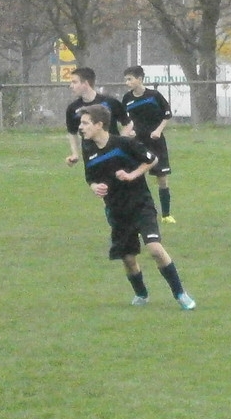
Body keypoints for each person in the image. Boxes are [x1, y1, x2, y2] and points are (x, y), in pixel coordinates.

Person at [76, 103, 196, 310]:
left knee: (155, 249)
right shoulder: (88, 148)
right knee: (128, 259)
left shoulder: (123, 144)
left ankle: (180, 294)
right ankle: (141, 294)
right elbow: (90, 177)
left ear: (99, 125)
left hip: (140, 204)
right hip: (116, 210)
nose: (81, 127)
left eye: (85, 123)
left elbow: (152, 159)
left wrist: (132, 175)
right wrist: (96, 187)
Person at [123, 65, 176, 223]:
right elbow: (126, 120)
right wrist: (130, 132)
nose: (127, 83)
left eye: (130, 79)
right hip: (138, 143)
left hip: (156, 142)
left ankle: (166, 215)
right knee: (137, 179)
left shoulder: (154, 95)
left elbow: (167, 114)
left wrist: (158, 130)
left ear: (140, 79)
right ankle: (140, 216)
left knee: (162, 178)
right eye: (126, 80)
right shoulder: (127, 99)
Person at [65, 67, 130, 167]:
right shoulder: (73, 108)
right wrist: (75, 154)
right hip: (90, 154)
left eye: (74, 82)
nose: (71, 86)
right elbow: (72, 132)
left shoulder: (110, 102)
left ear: (85, 83)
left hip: (114, 153)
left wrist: (119, 141)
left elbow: (128, 123)